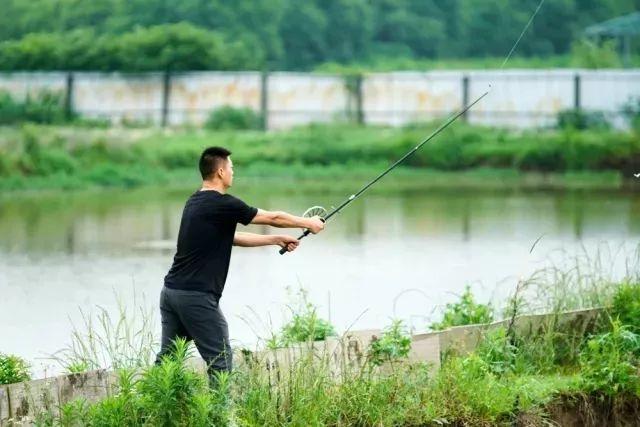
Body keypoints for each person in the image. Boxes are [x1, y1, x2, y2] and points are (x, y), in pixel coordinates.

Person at [155, 146, 324, 383]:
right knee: (221, 361)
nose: (234, 173)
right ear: (221, 172)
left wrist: (275, 239)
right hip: (197, 296)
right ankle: (219, 417)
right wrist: (308, 222)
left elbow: (229, 238)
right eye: (232, 168)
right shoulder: (222, 204)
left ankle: (151, 410)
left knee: (168, 360)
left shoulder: (195, 201)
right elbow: (272, 217)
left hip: (172, 292)